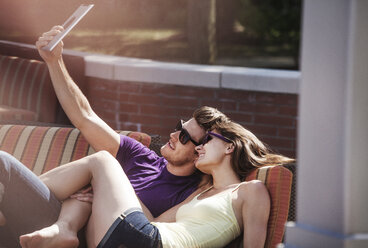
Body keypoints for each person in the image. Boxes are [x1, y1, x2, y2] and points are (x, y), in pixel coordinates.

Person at [0, 25, 230, 247]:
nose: (173, 135)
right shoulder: (139, 156)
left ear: (199, 152)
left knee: (4, 162)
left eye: (184, 137)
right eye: (179, 127)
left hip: (92, 238)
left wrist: (102, 186)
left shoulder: (193, 193)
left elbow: (149, 231)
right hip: (47, 226)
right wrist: (55, 61)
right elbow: (84, 116)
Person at [1, 118, 294, 248]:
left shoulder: (250, 190)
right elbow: (151, 221)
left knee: (103, 160)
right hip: (138, 237)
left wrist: (108, 178)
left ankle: (15, 204)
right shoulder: (200, 193)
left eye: (206, 141)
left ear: (229, 146)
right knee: (96, 175)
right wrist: (106, 190)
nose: (199, 148)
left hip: (151, 243)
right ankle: (37, 215)